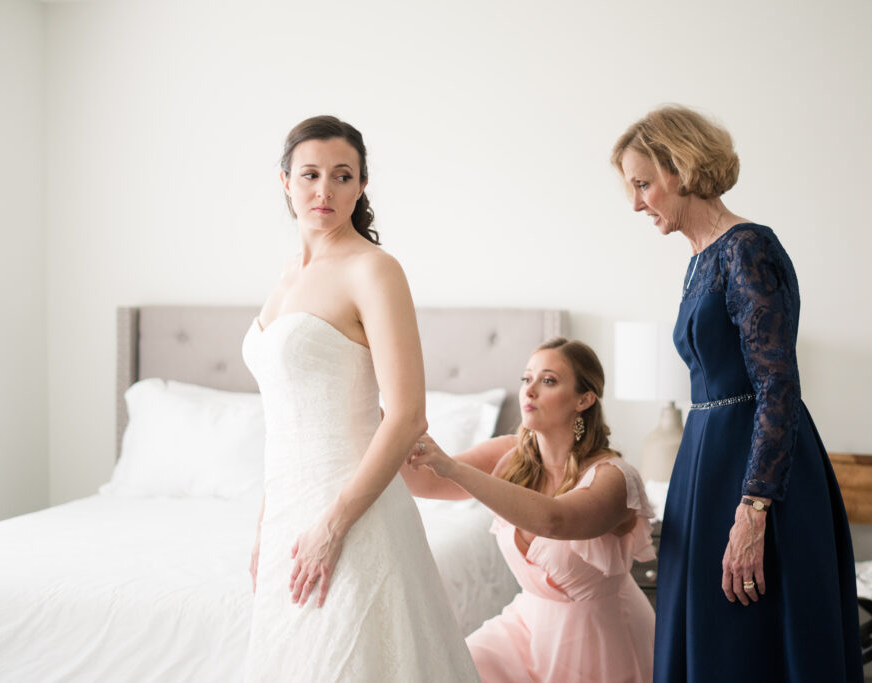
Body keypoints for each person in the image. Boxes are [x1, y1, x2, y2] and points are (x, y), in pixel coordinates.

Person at [611, 105, 863, 682]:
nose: (636, 203)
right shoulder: (700, 260)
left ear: (681, 167)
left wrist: (754, 510)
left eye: (643, 184)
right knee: (709, 634)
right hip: (706, 459)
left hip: (757, 473)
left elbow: (777, 385)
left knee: (753, 639)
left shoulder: (747, 248)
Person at [241, 115, 478, 682]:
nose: (324, 190)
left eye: (342, 176)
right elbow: (283, 424)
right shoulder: (282, 281)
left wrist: (334, 525)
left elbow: (406, 415)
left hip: (354, 512)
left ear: (361, 186)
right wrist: (263, 529)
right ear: (284, 182)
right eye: (311, 174)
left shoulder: (374, 270)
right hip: (286, 519)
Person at [402, 337, 656, 683]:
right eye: (526, 379)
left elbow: (555, 520)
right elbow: (424, 483)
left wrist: (455, 468)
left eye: (548, 380)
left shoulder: (614, 478)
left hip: (601, 640)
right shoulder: (509, 455)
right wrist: (378, 415)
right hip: (526, 628)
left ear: (584, 399)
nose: (529, 390)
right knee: (455, 670)